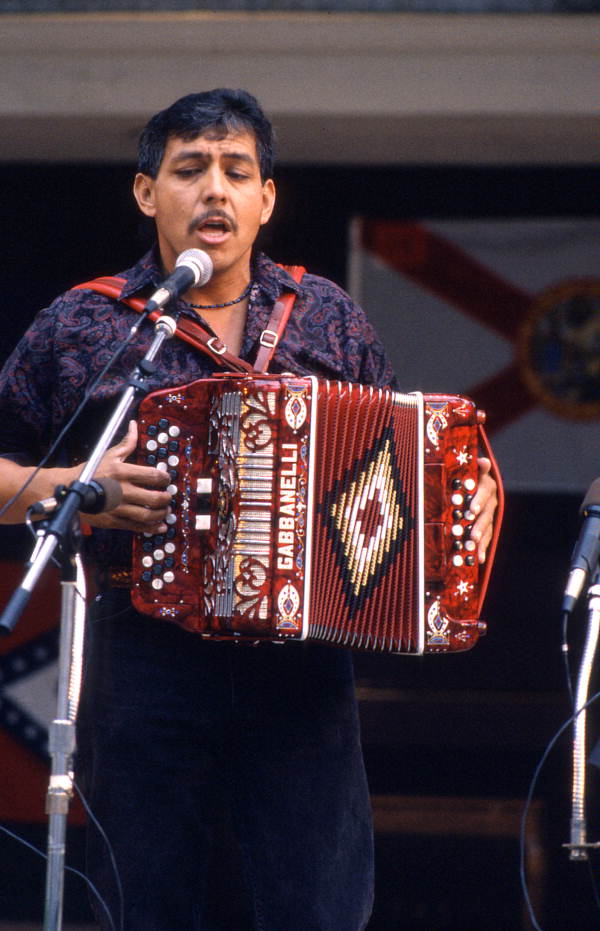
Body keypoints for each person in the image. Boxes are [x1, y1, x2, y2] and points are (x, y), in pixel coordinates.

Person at [0, 89, 497, 930]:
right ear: (146, 192)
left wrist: (464, 509)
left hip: (302, 673)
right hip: (146, 658)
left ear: (267, 199)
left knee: (319, 905)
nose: (214, 191)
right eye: (189, 169)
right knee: (144, 900)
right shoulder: (91, 322)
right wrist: (78, 485)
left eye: (238, 171)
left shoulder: (329, 316)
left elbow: (399, 467)